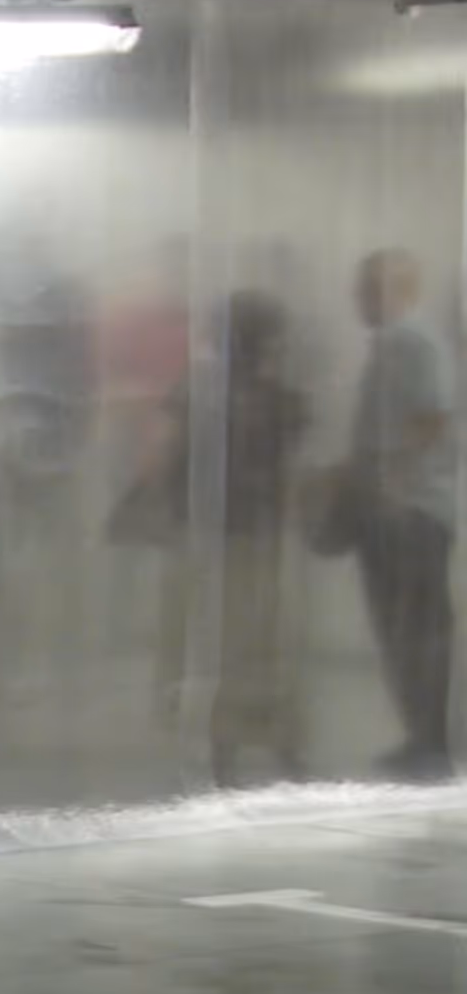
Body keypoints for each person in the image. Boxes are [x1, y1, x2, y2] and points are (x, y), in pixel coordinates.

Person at [147, 292, 310, 785]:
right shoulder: (283, 400)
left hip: (204, 534)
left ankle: (223, 746)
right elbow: (289, 474)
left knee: (209, 640)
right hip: (259, 535)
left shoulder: (195, 392)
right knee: (263, 640)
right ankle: (282, 744)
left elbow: (165, 459)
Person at [344, 250, 457, 780]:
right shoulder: (390, 345)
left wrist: (392, 473)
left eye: (369, 289)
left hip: (412, 510)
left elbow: (432, 417)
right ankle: (421, 737)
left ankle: (432, 741)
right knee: (399, 629)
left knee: (416, 629)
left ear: (401, 290)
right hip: (391, 508)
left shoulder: (413, 342)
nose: (359, 299)